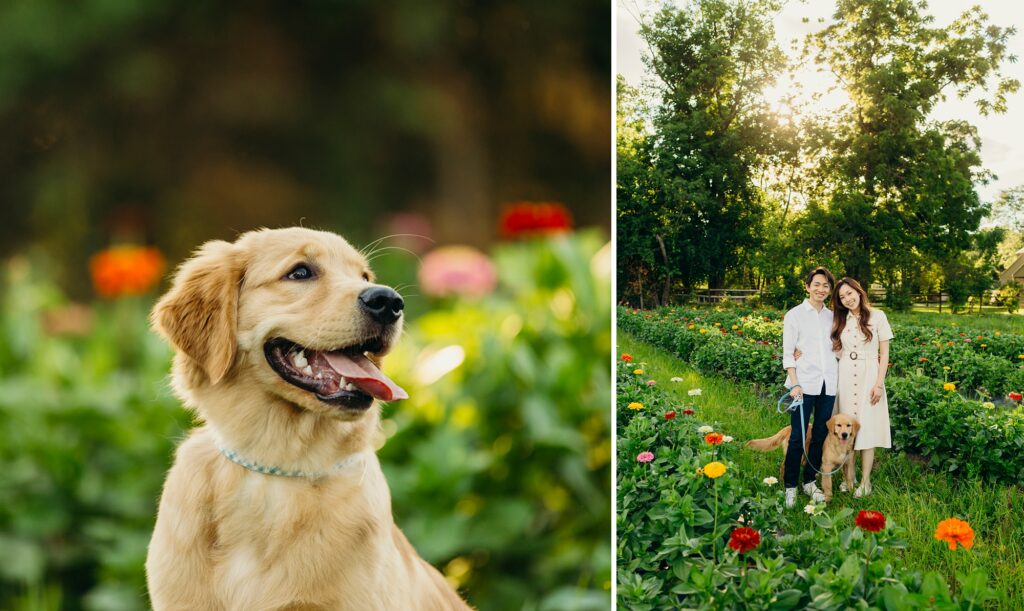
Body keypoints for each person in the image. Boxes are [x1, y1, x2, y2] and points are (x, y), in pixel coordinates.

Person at [780, 267, 837, 508]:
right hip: (803, 384)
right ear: (807, 286)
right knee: (797, 437)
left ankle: (809, 481)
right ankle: (790, 486)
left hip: (828, 384)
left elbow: (837, 347)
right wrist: (795, 384)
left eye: (825, 286)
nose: (821, 289)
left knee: (821, 435)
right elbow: (788, 353)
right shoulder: (794, 315)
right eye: (817, 284)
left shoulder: (833, 316)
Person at [830, 277, 892, 497]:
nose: (847, 299)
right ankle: (849, 478)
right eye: (842, 297)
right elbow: (832, 350)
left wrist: (878, 384)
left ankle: (865, 482)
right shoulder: (840, 320)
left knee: (867, 428)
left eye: (849, 293)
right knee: (847, 429)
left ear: (858, 290)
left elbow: (884, 354)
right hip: (846, 374)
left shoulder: (878, 316)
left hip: (869, 374)